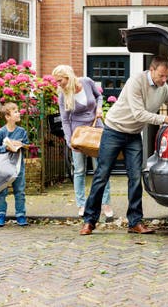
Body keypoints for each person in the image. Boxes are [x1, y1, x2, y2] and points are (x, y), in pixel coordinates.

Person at [80, 55, 168, 235]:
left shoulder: (165, 89)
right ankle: (89, 221)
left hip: (133, 135)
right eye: (161, 75)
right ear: (151, 70)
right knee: (101, 175)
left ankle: (135, 222)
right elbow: (139, 114)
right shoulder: (135, 81)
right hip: (114, 131)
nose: (164, 80)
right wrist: (165, 118)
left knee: (136, 178)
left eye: (167, 76)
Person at [52, 65, 114, 220]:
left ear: (68, 76)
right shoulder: (62, 95)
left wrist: (99, 109)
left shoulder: (86, 82)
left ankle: (105, 203)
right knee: (79, 171)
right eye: (57, 81)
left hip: (96, 129)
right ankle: (81, 204)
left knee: (101, 168)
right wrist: (69, 141)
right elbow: (65, 121)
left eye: (60, 80)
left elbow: (99, 97)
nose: (59, 84)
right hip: (78, 135)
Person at [0, 102, 30, 227]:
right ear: (8, 117)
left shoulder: (22, 131)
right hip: (3, 167)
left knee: (19, 190)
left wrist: (20, 146)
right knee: (2, 191)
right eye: (15, 112)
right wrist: (6, 148)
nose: (19, 113)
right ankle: (0, 214)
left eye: (18, 111)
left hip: (18, 166)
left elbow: (26, 146)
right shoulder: (1, 132)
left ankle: (20, 215)